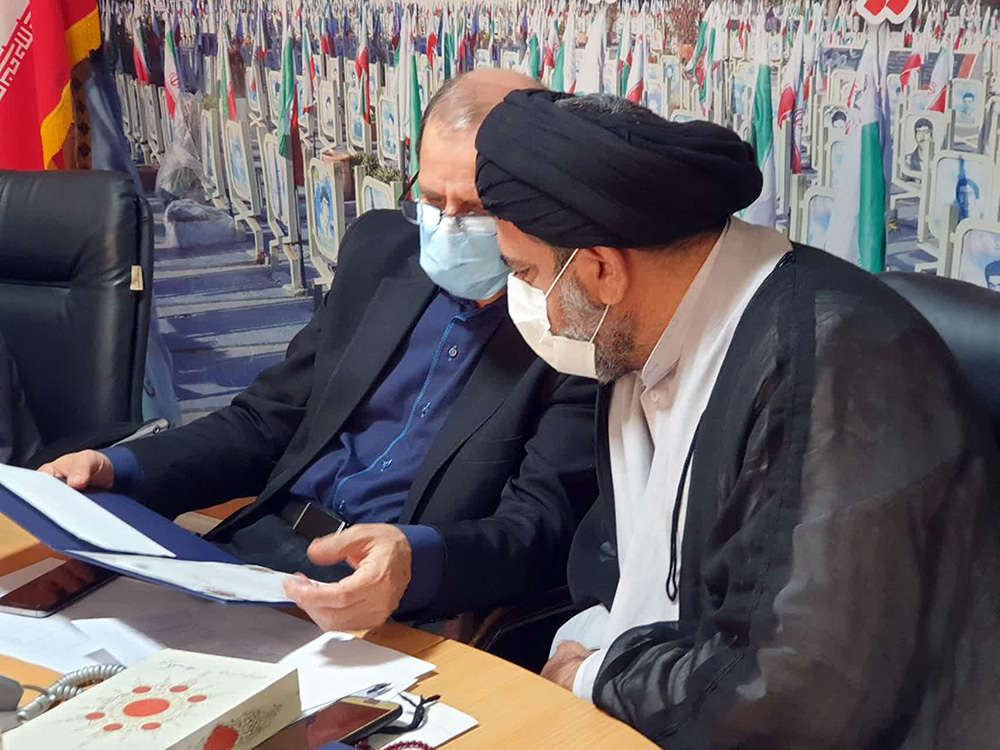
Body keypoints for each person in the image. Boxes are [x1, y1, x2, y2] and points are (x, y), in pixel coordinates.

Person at [474, 90, 1000, 747]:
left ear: (603, 269)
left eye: (527, 274)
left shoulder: (834, 363)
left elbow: (794, 690)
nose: (531, 306)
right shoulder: (642, 341)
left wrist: (598, 676)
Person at [41, 71, 598, 635]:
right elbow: (267, 422)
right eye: (433, 200)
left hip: (399, 602)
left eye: (477, 210)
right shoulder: (382, 252)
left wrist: (413, 564)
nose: (448, 226)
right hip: (260, 552)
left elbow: (539, 527)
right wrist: (119, 467)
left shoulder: (577, 329)